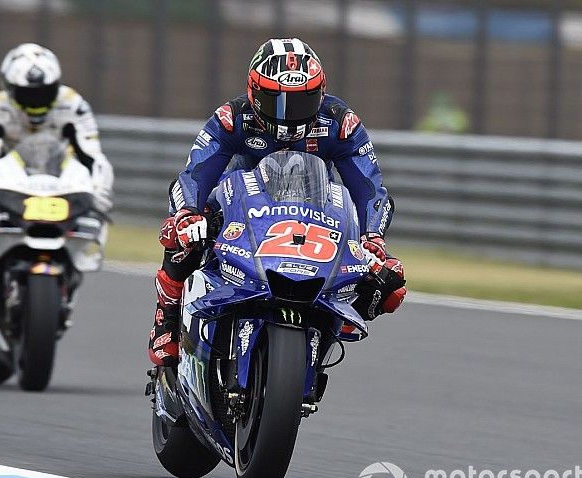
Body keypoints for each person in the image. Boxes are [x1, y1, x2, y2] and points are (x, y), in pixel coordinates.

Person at [148, 38, 406, 366]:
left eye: (300, 103)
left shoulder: (341, 123)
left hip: (312, 216)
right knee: (184, 237)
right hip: (239, 212)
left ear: (321, 94)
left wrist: (373, 238)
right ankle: (166, 320)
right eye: (276, 102)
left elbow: (370, 188)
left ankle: (321, 336)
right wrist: (187, 214)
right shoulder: (232, 118)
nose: (287, 117)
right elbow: (196, 172)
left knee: (388, 285)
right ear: (254, 94)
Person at [0, 42, 114, 298]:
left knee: (92, 211)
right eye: (28, 95)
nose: (36, 102)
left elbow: (93, 156)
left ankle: (67, 274)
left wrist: (99, 191)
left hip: (59, 179)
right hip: (8, 178)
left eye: (44, 93)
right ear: (10, 88)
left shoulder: (73, 105)